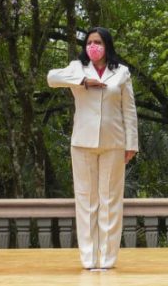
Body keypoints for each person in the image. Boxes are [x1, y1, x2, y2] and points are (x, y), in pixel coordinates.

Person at [47, 27, 138, 271]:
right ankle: (89, 258)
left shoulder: (121, 72)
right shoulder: (77, 68)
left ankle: (107, 259)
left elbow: (129, 110)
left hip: (113, 142)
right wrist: (81, 80)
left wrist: (131, 144)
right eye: (89, 42)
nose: (93, 46)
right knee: (86, 200)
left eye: (98, 42)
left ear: (107, 45)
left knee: (110, 201)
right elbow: (51, 78)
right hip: (82, 143)